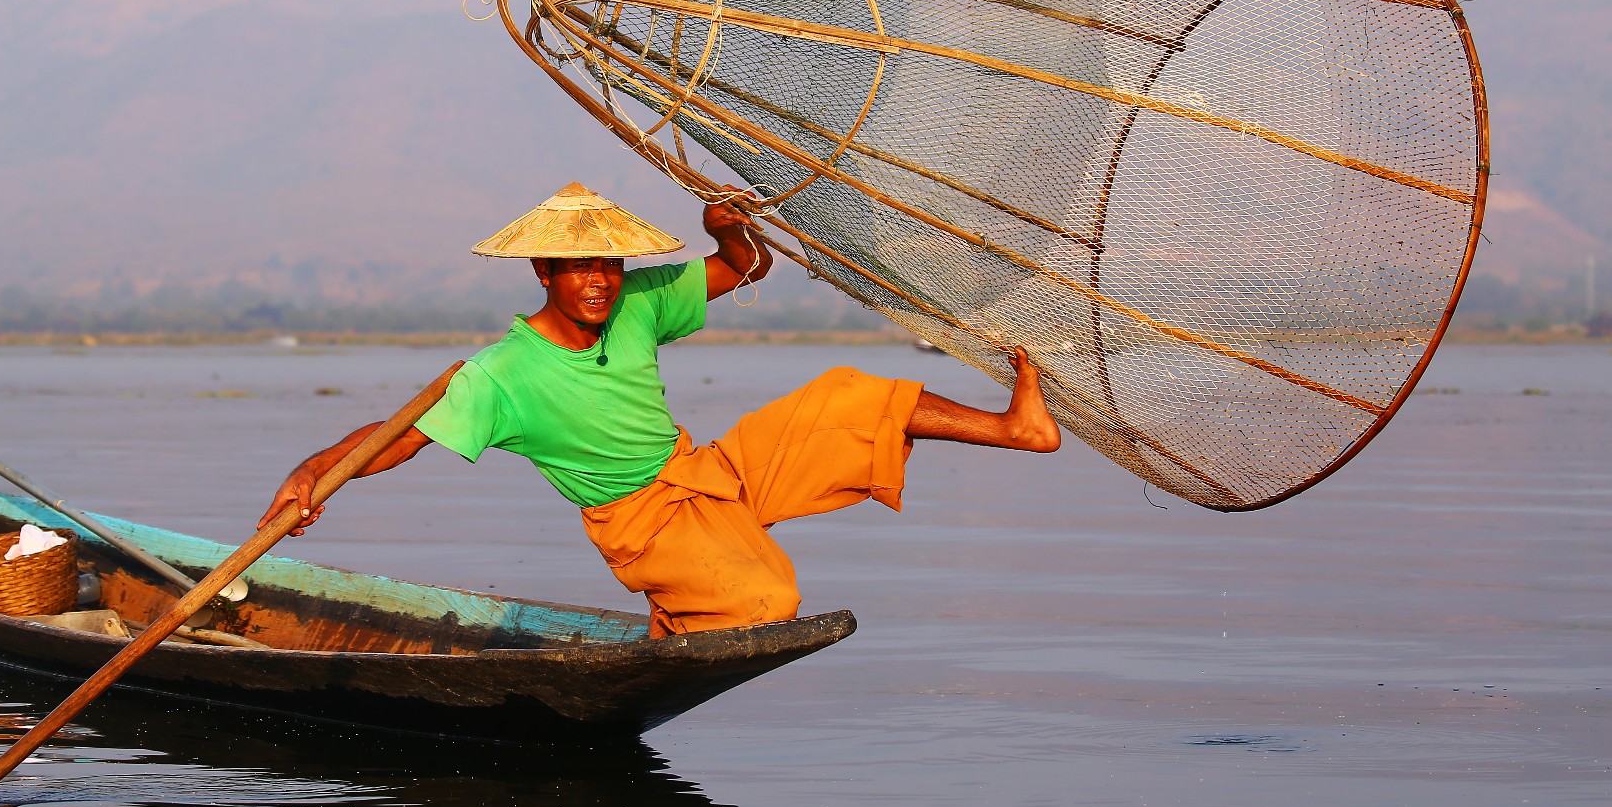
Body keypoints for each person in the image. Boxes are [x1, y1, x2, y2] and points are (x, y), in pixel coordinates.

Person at [261, 182, 1060, 637]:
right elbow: (397, 438)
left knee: (849, 395)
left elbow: (741, 270)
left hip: (705, 472)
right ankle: (675, 604)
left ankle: (1012, 428)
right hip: (641, 521)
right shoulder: (500, 373)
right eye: (578, 268)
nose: (599, 281)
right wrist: (311, 474)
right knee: (768, 602)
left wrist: (732, 230)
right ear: (543, 270)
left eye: (608, 263)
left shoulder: (640, 301)